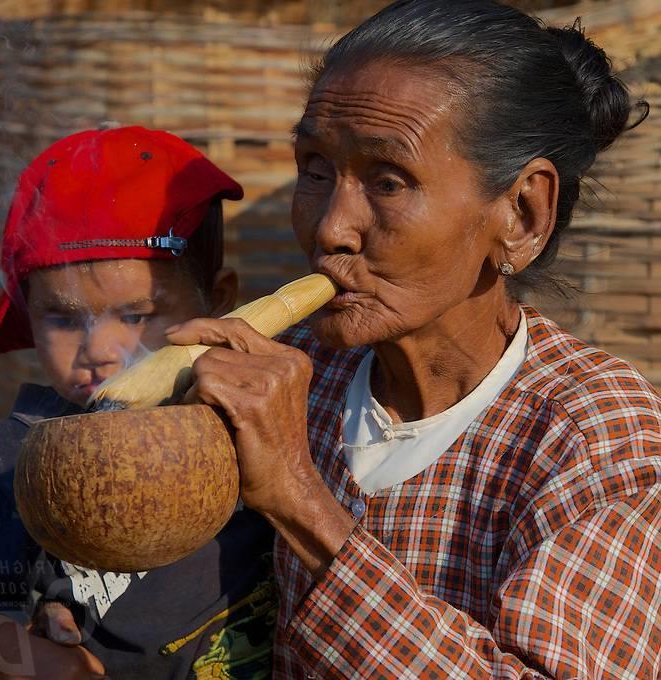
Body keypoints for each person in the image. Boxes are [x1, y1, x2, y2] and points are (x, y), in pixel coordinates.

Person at [166, 2, 661, 678]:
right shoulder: (296, 379)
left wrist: (299, 499)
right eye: (315, 167)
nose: (331, 229)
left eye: (388, 180)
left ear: (521, 214)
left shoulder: (597, 433)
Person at [0, 126, 277, 679]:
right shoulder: (20, 455)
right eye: (64, 319)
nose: (98, 349)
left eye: (137, 316)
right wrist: (46, 665)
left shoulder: (255, 418)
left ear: (221, 301)